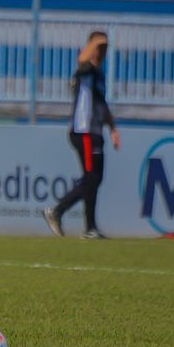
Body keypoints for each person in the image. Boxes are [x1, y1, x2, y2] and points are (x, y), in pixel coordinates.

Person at [44, 31, 121, 240]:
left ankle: (90, 227)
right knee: (90, 178)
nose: (103, 52)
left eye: (105, 48)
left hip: (95, 132)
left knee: (96, 179)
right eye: (100, 48)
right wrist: (95, 42)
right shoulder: (85, 71)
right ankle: (58, 211)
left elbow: (102, 104)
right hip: (83, 131)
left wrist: (113, 129)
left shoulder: (99, 75)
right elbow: (81, 59)